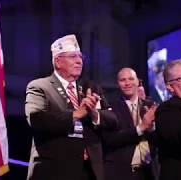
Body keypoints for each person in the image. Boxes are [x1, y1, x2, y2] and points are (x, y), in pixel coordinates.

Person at [25, 34, 117, 180]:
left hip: (89, 171)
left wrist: (93, 113)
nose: (79, 61)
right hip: (55, 171)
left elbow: (113, 120)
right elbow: (36, 119)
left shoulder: (91, 87)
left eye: (80, 57)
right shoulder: (39, 86)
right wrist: (76, 114)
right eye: (73, 57)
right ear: (57, 61)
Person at [102, 67, 159, 180]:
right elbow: (110, 139)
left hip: (149, 171)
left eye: (131, 79)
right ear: (118, 84)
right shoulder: (110, 108)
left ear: (138, 81)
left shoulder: (151, 105)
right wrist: (141, 127)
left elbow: (161, 138)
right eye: (123, 80)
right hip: (122, 171)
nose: (127, 83)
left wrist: (152, 128)